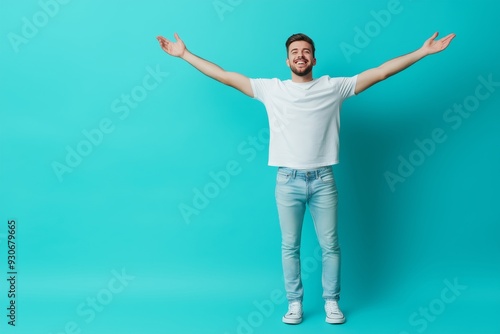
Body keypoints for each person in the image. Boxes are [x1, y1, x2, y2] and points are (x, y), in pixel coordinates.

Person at [156, 30, 455, 325]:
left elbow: (379, 73)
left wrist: (422, 52)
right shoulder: (271, 89)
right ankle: (294, 304)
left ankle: (331, 303)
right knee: (290, 246)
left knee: (330, 245)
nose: (300, 55)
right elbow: (224, 75)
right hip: (288, 181)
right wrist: (184, 55)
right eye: (295, 52)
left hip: (323, 180)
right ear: (287, 61)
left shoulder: (333, 87)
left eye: (306, 51)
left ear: (314, 59)